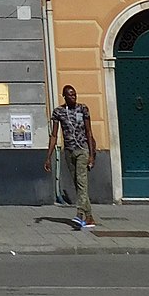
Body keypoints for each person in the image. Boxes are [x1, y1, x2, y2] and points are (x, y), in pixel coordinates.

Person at [45, 83, 97, 230]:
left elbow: (89, 132)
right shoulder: (59, 112)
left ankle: (79, 214)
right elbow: (54, 135)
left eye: (74, 94)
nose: (73, 97)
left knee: (81, 182)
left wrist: (92, 155)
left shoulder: (83, 109)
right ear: (64, 96)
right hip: (69, 151)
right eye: (70, 95)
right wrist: (48, 157)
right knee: (78, 184)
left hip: (83, 150)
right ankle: (89, 217)